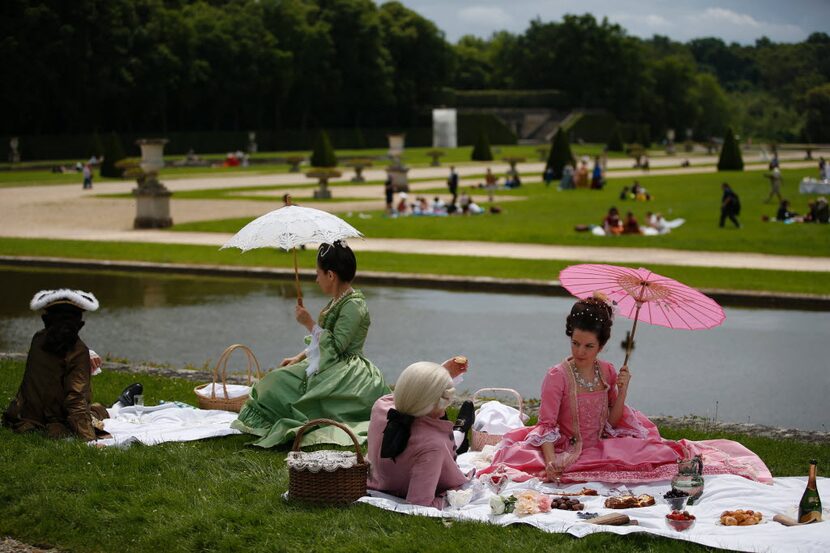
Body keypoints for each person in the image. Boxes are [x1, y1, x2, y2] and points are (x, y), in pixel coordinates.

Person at [480, 296, 772, 484]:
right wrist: (552, 460)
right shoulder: (557, 376)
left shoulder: (606, 370)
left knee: (655, 454)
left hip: (604, 440)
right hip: (566, 447)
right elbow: (547, 425)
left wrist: (623, 389)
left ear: (603, 345)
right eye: (575, 343)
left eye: (589, 346)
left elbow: (615, 420)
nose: (580, 351)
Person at [232, 241, 390, 447]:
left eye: (318, 273)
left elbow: (334, 347)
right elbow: (323, 341)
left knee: (274, 383)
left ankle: (298, 416)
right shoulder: (339, 300)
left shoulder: (353, 306)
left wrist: (308, 323)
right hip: (328, 364)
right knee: (272, 381)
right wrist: (300, 357)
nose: (316, 280)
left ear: (331, 275)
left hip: (347, 373)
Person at [2, 289, 113, 441]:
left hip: (25, 416)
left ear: (47, 318)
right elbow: (75, 401)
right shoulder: (78, 351)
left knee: (97, 410)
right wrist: (89, 440)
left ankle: (110, 407)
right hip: (55, 421)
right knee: (95, 411)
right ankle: (115, 406)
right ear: (78, 321)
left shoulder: (38, 339)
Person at [367, 358, 475, 508]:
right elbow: (419, 504)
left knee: (449, 442)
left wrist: (439, 374)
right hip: (406, 484)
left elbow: (412, 393)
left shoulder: (382, 406)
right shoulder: (433, 445)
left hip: (380, 480)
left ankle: (459, 431)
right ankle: (460, 430)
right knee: (454, 441)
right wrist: (451, 499)